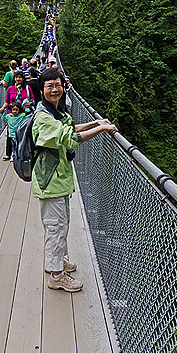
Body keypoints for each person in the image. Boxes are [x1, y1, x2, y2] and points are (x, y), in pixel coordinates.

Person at [32, 68, 116, 292]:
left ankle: (58, 262)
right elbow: (69, 139)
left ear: (63, 86)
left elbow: (70, 128)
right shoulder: (43, 116)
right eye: (49, 86)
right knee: (55, 228)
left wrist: (96, 124)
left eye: (57, 85)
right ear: (42, 90)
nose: (54, 89)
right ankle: (56, 276)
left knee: (61, 224)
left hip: (59, 178)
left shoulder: (56, 111)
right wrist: (101, 130)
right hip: (50, 180)